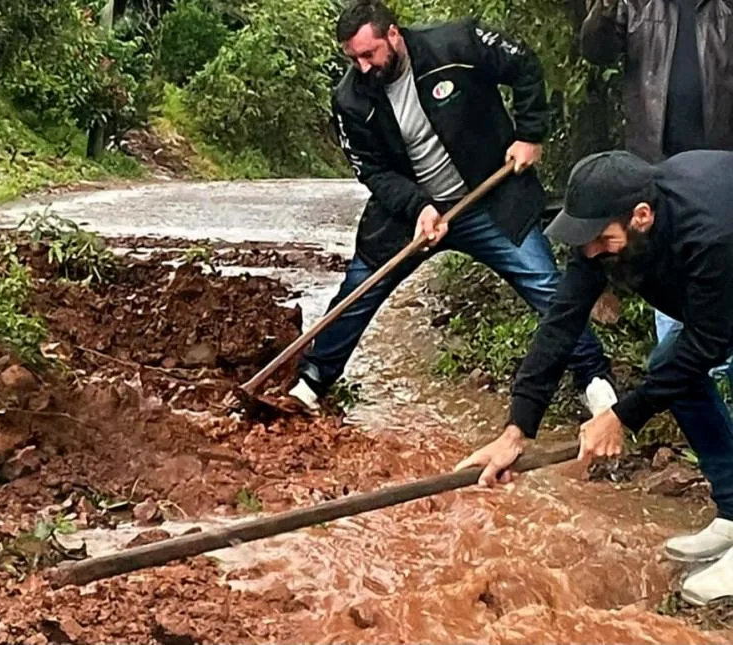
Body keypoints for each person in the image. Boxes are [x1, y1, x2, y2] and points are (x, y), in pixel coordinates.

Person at [287, 0, 617, 417]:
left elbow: (524, 65)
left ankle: (594, 378)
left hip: (488, 200)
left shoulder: (457, 44)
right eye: (354, 59)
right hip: (411, 216)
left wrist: (530, 133)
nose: (364, 67)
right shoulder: (350, 100)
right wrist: (419, 206)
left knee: (546, 286)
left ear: (393, 34)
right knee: (359, 290)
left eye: (369, 54)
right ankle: (313, 380)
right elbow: (372, 171)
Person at [457, 149, 733, 606]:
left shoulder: (712, 235)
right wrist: (517, 429)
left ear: (642, 217)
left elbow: (708, 344)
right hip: (716, 297)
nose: (590, 252)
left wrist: (621, 416)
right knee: (669, 365)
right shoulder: (603, 236)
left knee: (683, 361)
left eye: (602, 240)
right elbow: (561, 323)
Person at [579, 0, 733, 377]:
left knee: (719, 289)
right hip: (656, 166)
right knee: (666, 279)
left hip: (720, 169)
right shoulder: (633, 4)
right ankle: (688, 379)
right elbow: (596, 51)